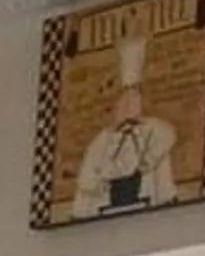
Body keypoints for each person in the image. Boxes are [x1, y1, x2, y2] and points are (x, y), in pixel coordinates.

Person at [72, 82, 178, 215]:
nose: (129, 105)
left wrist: (145, 161)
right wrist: (99, 183)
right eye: (124, 101)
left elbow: (166, 138)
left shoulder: (153, 129)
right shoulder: (102, 140)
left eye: (134, 99)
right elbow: (87, 176)